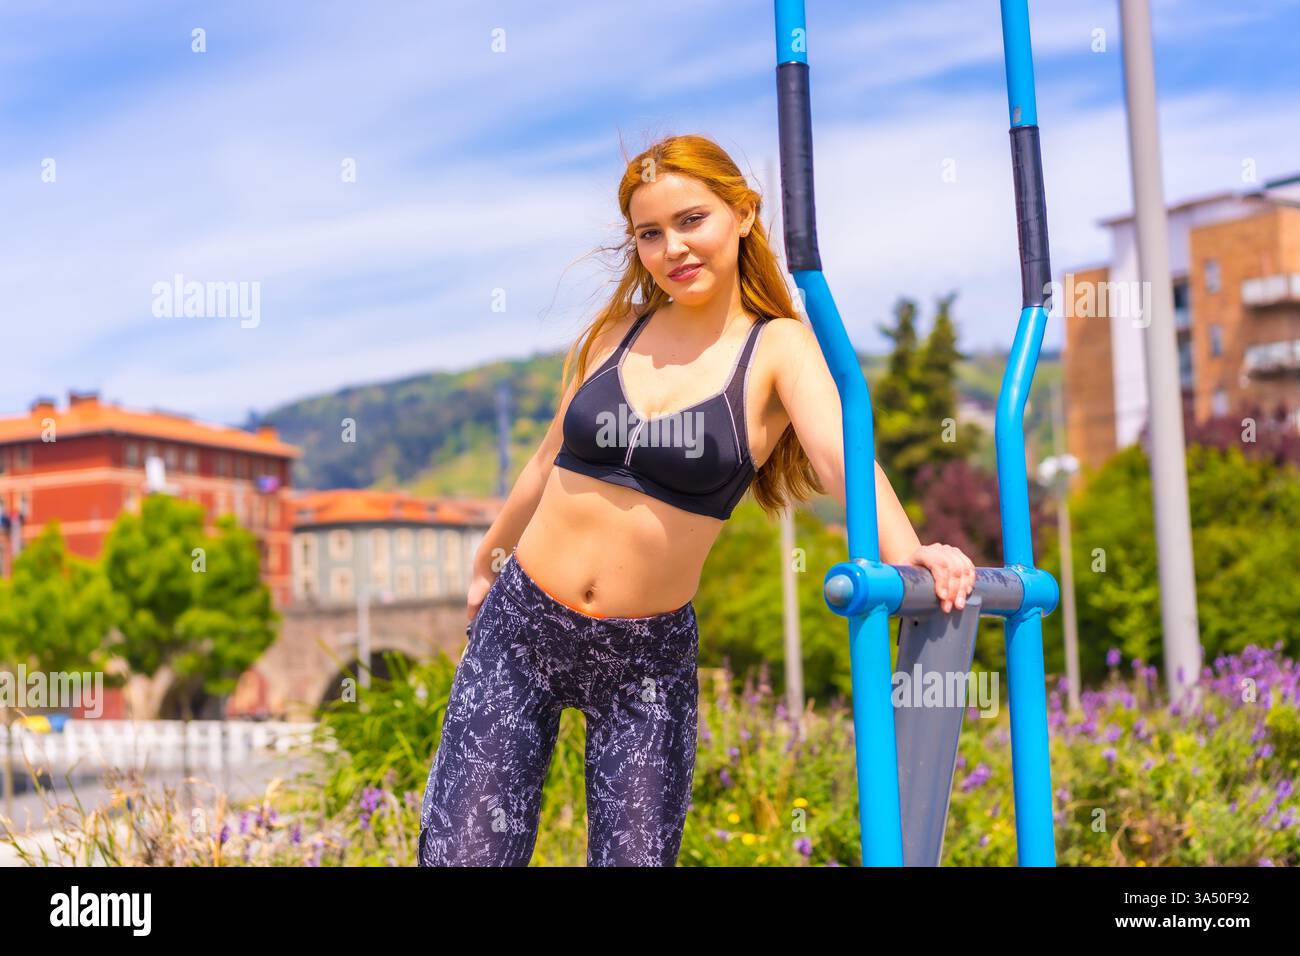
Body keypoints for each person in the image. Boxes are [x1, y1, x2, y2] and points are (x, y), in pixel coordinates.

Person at [417, 133, 977, 867]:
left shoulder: (777, 348)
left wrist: (911, 554)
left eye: (691, 220)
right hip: (522, 627)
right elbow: (550, 454)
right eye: (650, 233)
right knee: (464, 854)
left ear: (742, 214)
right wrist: (488, 561)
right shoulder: (617, 335)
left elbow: (844, 457)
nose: (672, 247)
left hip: (645, 660)